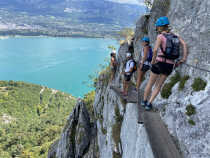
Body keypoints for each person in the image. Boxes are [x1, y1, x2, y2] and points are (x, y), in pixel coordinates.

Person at [142, 16, 187, 110]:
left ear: (159, 27)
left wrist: (153, 62)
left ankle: (144, 101)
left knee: (150, 83)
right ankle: (149, 103)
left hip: (159, 63)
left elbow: (155, 50)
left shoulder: (160, 36)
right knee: (159, 85)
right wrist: (183, 58)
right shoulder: (175, 36)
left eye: (157, 27)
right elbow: (184, 44)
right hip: (170, 65)